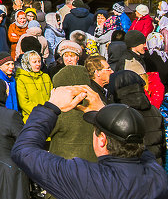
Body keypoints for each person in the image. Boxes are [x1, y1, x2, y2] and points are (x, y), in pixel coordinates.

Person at [10, 85, 168, 199]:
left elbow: (23, 151)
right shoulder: (157, 175)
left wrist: (50, 108)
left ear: (102, 140)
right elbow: (141, 151)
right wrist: (106, 112)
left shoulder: (88, 179)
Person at [15, 51, 51, 122]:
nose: (38, 64)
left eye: (39, 61)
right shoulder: (21, 79)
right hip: (31, 118)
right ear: (27, 63)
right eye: (34, 62)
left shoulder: (46, 77)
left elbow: (52, 96)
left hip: (49, 116)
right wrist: (41, 112)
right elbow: (23, 103)